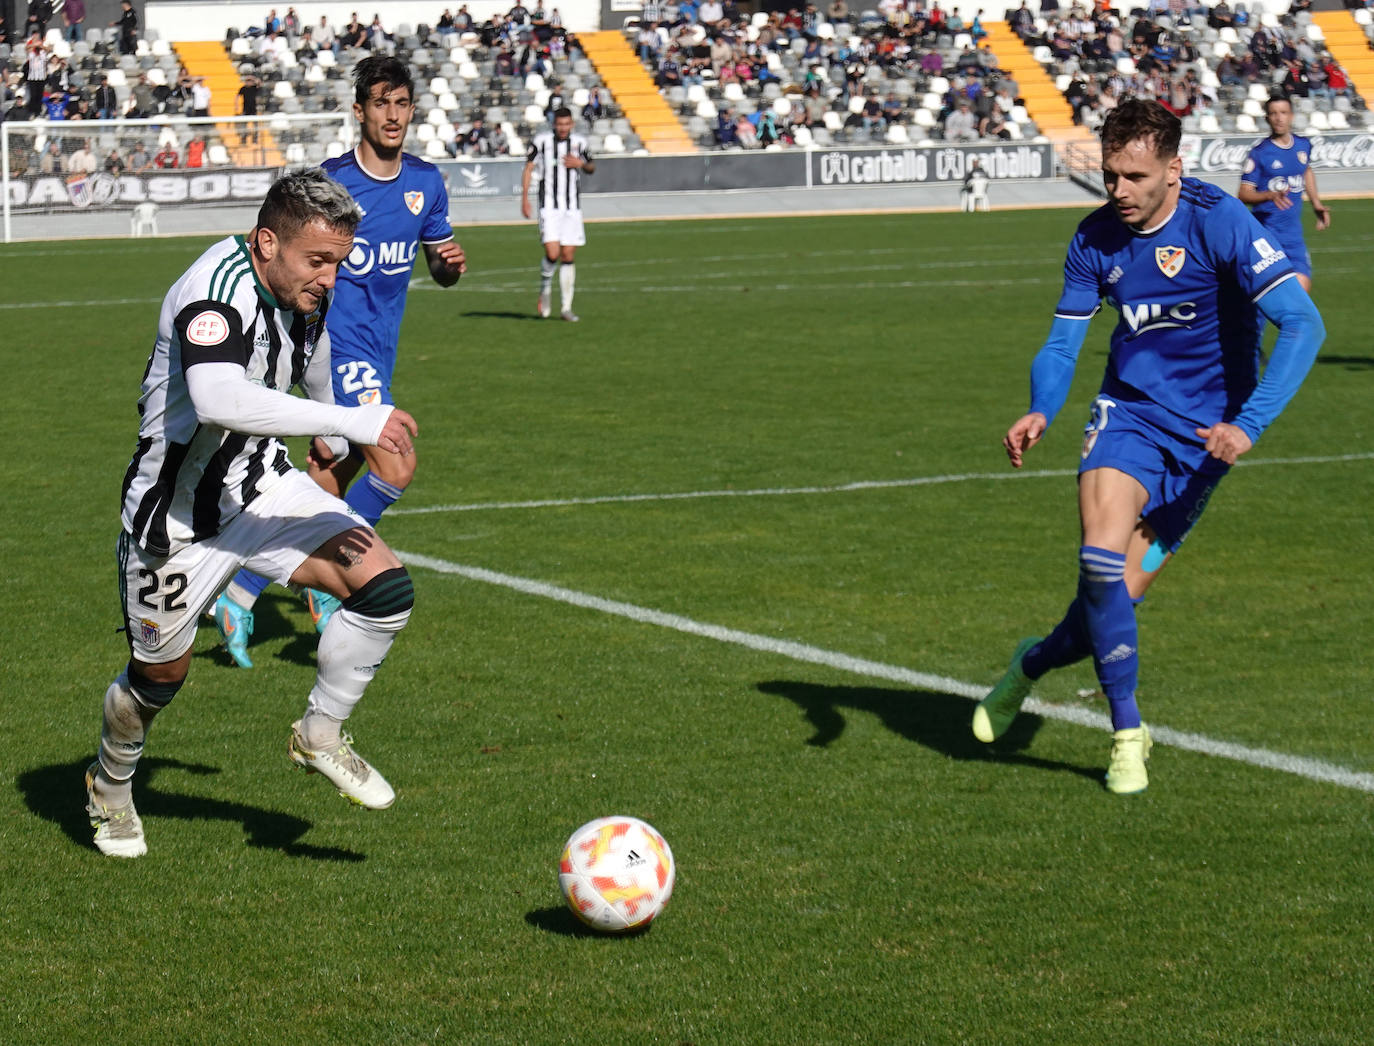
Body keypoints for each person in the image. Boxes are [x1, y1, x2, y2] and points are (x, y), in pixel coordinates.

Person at [976, 99, 1324, 794]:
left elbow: (1303, 326)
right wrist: (1043, 407)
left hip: (1206, 441)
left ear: (1174, 168)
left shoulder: (1217, 220)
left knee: (1112, 605)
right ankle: (1127, 732)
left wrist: (1245, 426)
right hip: (1127, 413)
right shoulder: (1093, 239)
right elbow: (1063, 340)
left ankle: (1032, 665)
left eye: (1135, 176)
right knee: (1100, 560)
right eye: (1111, 175)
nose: (1119, 191)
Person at [85, 169, 421, 857]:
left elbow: (315, 359)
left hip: (262, 486)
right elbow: (218, 400)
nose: (330, 278)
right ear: (267, 242)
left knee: (385, 590)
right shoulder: (215, 292)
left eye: (338, 262)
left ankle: (319, 734)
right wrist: (349, 422)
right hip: (176, 520)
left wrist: (342, 433)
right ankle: (109, 785)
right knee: (159, 678)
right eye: (318, 261)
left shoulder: (304, 291)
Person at [210, 56, 465, 668]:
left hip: (379, 345)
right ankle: (344, 575)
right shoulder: (331, 181)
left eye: (402, 103)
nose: (393, 115)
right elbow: (281, 252)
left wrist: (449, 267)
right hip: (334, 344)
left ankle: (242, 591)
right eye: (381, 103)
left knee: (334, 467)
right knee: (396, 463)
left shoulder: (426, 182)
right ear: (360, 111)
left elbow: (437, 264)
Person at [1237, 95, 1330, 293]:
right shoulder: (1260, 153)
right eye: (1273, 114)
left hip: (1294, 239)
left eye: (1283, 113)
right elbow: (1243, 194)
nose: (1279, 118)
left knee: (1299, 299)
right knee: (1261, 308)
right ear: (1267, 119)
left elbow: (1306, 170)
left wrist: (1316, 204)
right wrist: (1269, 196)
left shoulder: (1302, 145)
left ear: (1292, 116)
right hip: (1265, 240)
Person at [521, 106, 594, 322]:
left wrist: (581, 164)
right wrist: (525, 198)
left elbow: (592, 166)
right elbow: (528, 167)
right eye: (559, 124)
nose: (563, 128)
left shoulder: (580, 143)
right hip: (549, 207)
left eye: (566, 124)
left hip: (571, 207)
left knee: (568, 255)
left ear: (571, 124)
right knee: (552, 254)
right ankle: (545, 289)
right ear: (554, 124)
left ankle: (566, 308)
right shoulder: (542, 141)